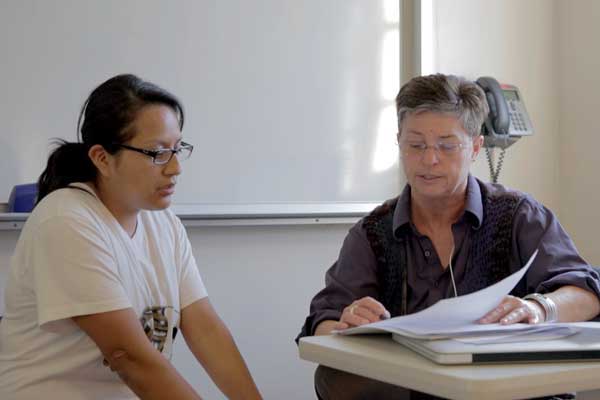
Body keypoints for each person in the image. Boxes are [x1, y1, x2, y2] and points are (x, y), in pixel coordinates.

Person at [297, 74, 600, 400]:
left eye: (446, 145)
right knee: (335, 377)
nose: (429, 159)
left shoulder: (519, 215)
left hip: (506, 390)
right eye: (416, 145)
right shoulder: (372, 232)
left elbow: (586, 291)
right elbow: (321, 323)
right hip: (414, 388)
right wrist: (345, 323)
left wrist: (541, 307)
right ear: (399, 142)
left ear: (475, 146)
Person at [0, 74, 262, 400]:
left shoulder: (164, 224)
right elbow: (131, 358)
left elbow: (206, 329)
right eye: (157, 153)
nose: (175, 167)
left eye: (177, 148)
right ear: (102, 158)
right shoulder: (66, 221)